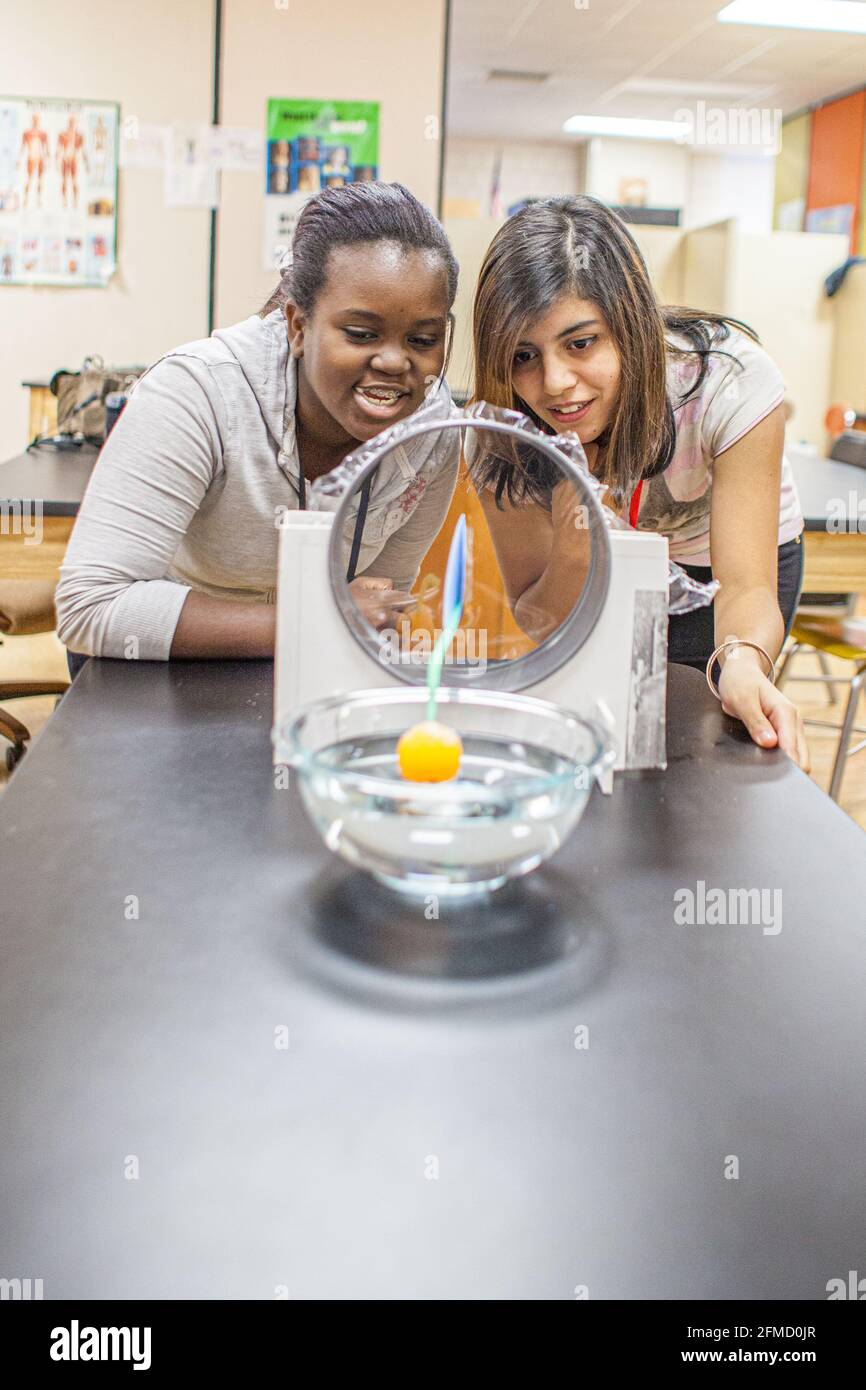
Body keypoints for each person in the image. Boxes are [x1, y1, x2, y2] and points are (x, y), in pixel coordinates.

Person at [56, 182, 460, 668]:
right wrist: (312, 621)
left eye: (422, 338)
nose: (396, 362)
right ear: (297, 326)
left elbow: (377, 600)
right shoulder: (200, 390)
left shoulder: (433, 435)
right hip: (156, 663)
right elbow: (90, 608)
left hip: (297, 661)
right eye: (360, 333)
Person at [469, 195, 809, 768]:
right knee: (600, 730)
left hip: (717, 569)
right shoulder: (503, 428)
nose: (554, 384)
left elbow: (746, 589)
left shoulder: (728, 381)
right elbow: (535, 617)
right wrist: (576, 531)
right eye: (523, 355)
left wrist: (745, 661)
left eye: (581, 343)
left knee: (702, 748)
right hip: (604, 565)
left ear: (630, 325)